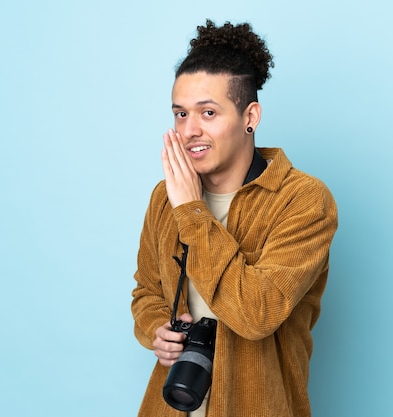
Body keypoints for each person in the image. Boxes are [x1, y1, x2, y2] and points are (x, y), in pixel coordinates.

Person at [131, 19, 338, 417]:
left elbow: (257, 314)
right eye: (180, 114)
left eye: (208, 112)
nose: (189, 130)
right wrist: (157, 329)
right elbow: (146, 290)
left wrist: (191, 210)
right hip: (171, 403)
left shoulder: (303, 201)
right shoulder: (164, 198)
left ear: (251, 116)